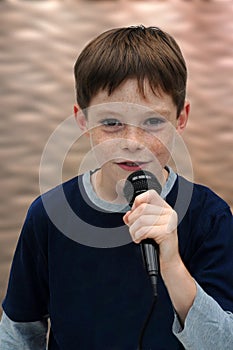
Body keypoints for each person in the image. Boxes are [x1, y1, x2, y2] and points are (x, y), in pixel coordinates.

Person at [0, 25, 233, 350]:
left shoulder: (210, 217)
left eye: (153, 122)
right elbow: (19, 334)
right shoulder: (49, 215)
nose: (132, 144)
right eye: (111, 124)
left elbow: (223, 342)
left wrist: (172, 265)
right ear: (82, 120)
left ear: (181, 118)